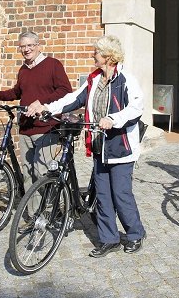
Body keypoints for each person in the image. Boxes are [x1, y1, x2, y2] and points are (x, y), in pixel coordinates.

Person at [27, 35, 147, 257]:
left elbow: (136, 108)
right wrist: (47, 107)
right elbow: (72, 99)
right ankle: (109, 239)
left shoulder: (126, 80)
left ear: (108, 56)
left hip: (121, 147)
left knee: (121, 194)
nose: (93, 55)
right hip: (100, 146)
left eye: (96, 52)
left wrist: (113, 118)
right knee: (102, 195)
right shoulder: (93, 80)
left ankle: (135, 233)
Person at [0, 31, 72, 197]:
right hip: (26, 128)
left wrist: (41, 102)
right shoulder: (23, 70)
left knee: (42, 173)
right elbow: (18, 91)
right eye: (22, 46)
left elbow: (65, 91)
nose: (26, 49)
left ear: (38, 46)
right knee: (28, 174)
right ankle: (33, 216)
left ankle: (47, 214)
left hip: (46, 127)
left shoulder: (53, 64)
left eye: (30, 45)